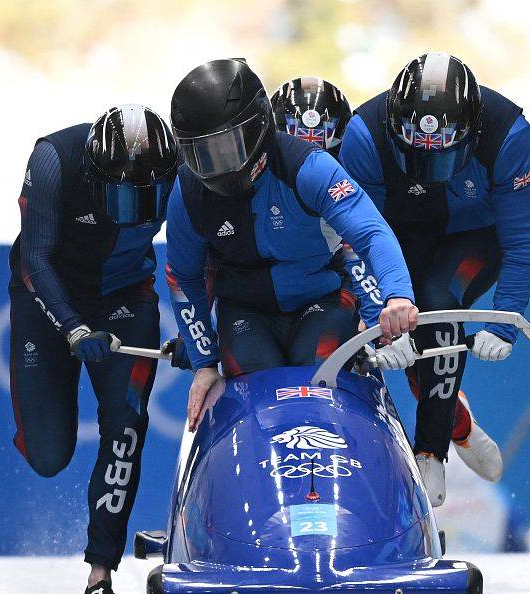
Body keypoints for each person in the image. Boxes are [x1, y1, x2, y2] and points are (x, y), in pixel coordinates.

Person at [270, 76, 502, 501]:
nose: (311, 158)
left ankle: (452, 429)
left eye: (324, 148)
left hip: (339, 286)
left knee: (390, 354)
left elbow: (360, 248)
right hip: (279, 291)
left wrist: (376, 309)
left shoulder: (341, 180)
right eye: (298, 145)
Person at [165, 59, 418, 429]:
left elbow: (370, 232)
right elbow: (184, 277)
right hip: (246, 312)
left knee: (316, 368)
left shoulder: (308, 167)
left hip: (322, 300)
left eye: (228, 148)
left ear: (259, 127)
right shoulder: (187, 193)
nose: (217, 166)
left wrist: (397, 296)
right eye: (202, 154)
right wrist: (204, 363)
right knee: (257, 378)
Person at [339, 52, 530, 503]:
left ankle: (430, 452)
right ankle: (459, 425)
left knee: (435, 298)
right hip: (395, 239)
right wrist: (378, 315)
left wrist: (504, 319)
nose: (430, 163)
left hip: (473, 237)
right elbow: (356, 238)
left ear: (472, 132)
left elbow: (523, 239)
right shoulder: (364, 135)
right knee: (402, 334)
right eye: (416, 149)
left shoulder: (507, 134)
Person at [8, 105, 177, 594]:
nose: (133, 212)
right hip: (48, 297)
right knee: (48, 455)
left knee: (126, 423)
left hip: (126, 296)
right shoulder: (53, 160)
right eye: (122, 196)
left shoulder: (181, 170)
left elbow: (206, 248)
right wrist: (74, 329)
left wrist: (202, 335)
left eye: (144, 199)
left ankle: (99, 578)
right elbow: (36, 257)